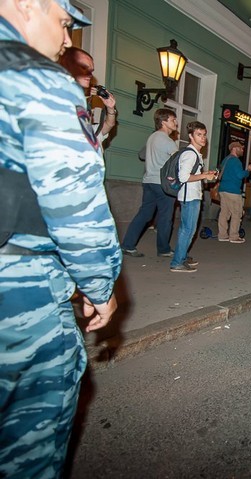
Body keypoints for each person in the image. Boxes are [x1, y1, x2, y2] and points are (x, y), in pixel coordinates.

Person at [0, 1, 122, 477]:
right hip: (16, 291)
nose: (68, 39)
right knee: (24, 448)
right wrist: (100, 288)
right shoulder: (37, 78)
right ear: (27, 4)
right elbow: (75, 204)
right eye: (65, 22)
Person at [121, 108, 179, 258]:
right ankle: (164, 249)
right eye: (173, 120)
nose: (176, 123)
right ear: (164, 121)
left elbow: (141, 154)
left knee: (145, 214)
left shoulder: (152, 137)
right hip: (163, 184)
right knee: (165, 217)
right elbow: (177, 163)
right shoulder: (168, 141)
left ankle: (127, 245)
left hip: (148, 181)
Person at [169, 121, 217, 272]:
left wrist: (205, 174)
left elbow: (193, 174)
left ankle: (182, 257)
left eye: (204, 135)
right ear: (191, 136)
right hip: (189, 197)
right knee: (187, 230)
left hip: (192, 195)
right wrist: (204, 175)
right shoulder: (190, 154)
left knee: (189, 229)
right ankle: (177, 262)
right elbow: (183, 177)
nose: (203, 138)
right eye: (199, 135)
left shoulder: (195, 154)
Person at [58, 46, 117, 152]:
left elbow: (109, 124)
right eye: (84, 68)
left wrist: (110, 108)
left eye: (91, 70)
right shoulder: (57, 105)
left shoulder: (90, 132)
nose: (89, 74)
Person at [218, 140, 251, 243]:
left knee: (224, 213)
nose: (242, 150)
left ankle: (222, 235)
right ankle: (234, 236)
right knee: (236, 213)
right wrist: (248, 171)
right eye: (241, 148)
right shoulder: (236, 161)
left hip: (223, 190)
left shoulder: (226, 160)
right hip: (233, 191)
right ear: (234, 148)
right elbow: (240, 175)